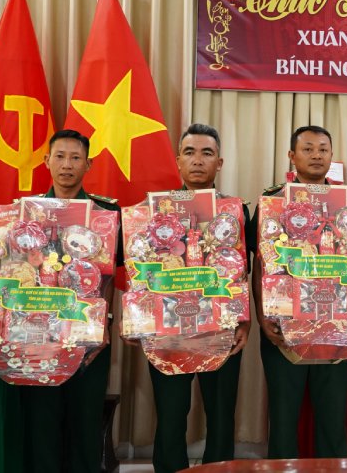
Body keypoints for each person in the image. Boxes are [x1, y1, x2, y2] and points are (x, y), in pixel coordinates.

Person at [146, 123, 250, 473]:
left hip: (220, 328)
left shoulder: (236, 211)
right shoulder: (153, 213)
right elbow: (140, 272)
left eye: (207, 153)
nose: (197, 160)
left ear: (219, 163)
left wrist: (244, 322)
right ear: (178, 160)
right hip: (168, 329)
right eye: (190, 152)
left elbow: (242, 272)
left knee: (221, 414)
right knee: (171, 414)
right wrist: (140, 322)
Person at [19, 129, 120, 473]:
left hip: (89, 335)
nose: (66, 165)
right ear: (46, 161)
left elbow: (113, 278)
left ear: (88, 165)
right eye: (59, 157)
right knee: (41, 420)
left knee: (85, 420)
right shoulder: (26, 213)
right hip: (38, 334)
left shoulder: (105, 214)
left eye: (75, 158)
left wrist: (104, 326)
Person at [251, 125, 347, 458]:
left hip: (336, 327)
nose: (316, 155)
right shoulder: (271, 202)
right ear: (292, 156)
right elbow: (259, 264)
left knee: (332, 420)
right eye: (308, 149)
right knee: (283, 420)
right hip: (283, 328)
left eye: (323, 149)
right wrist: (262, 315)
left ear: (331, 156)